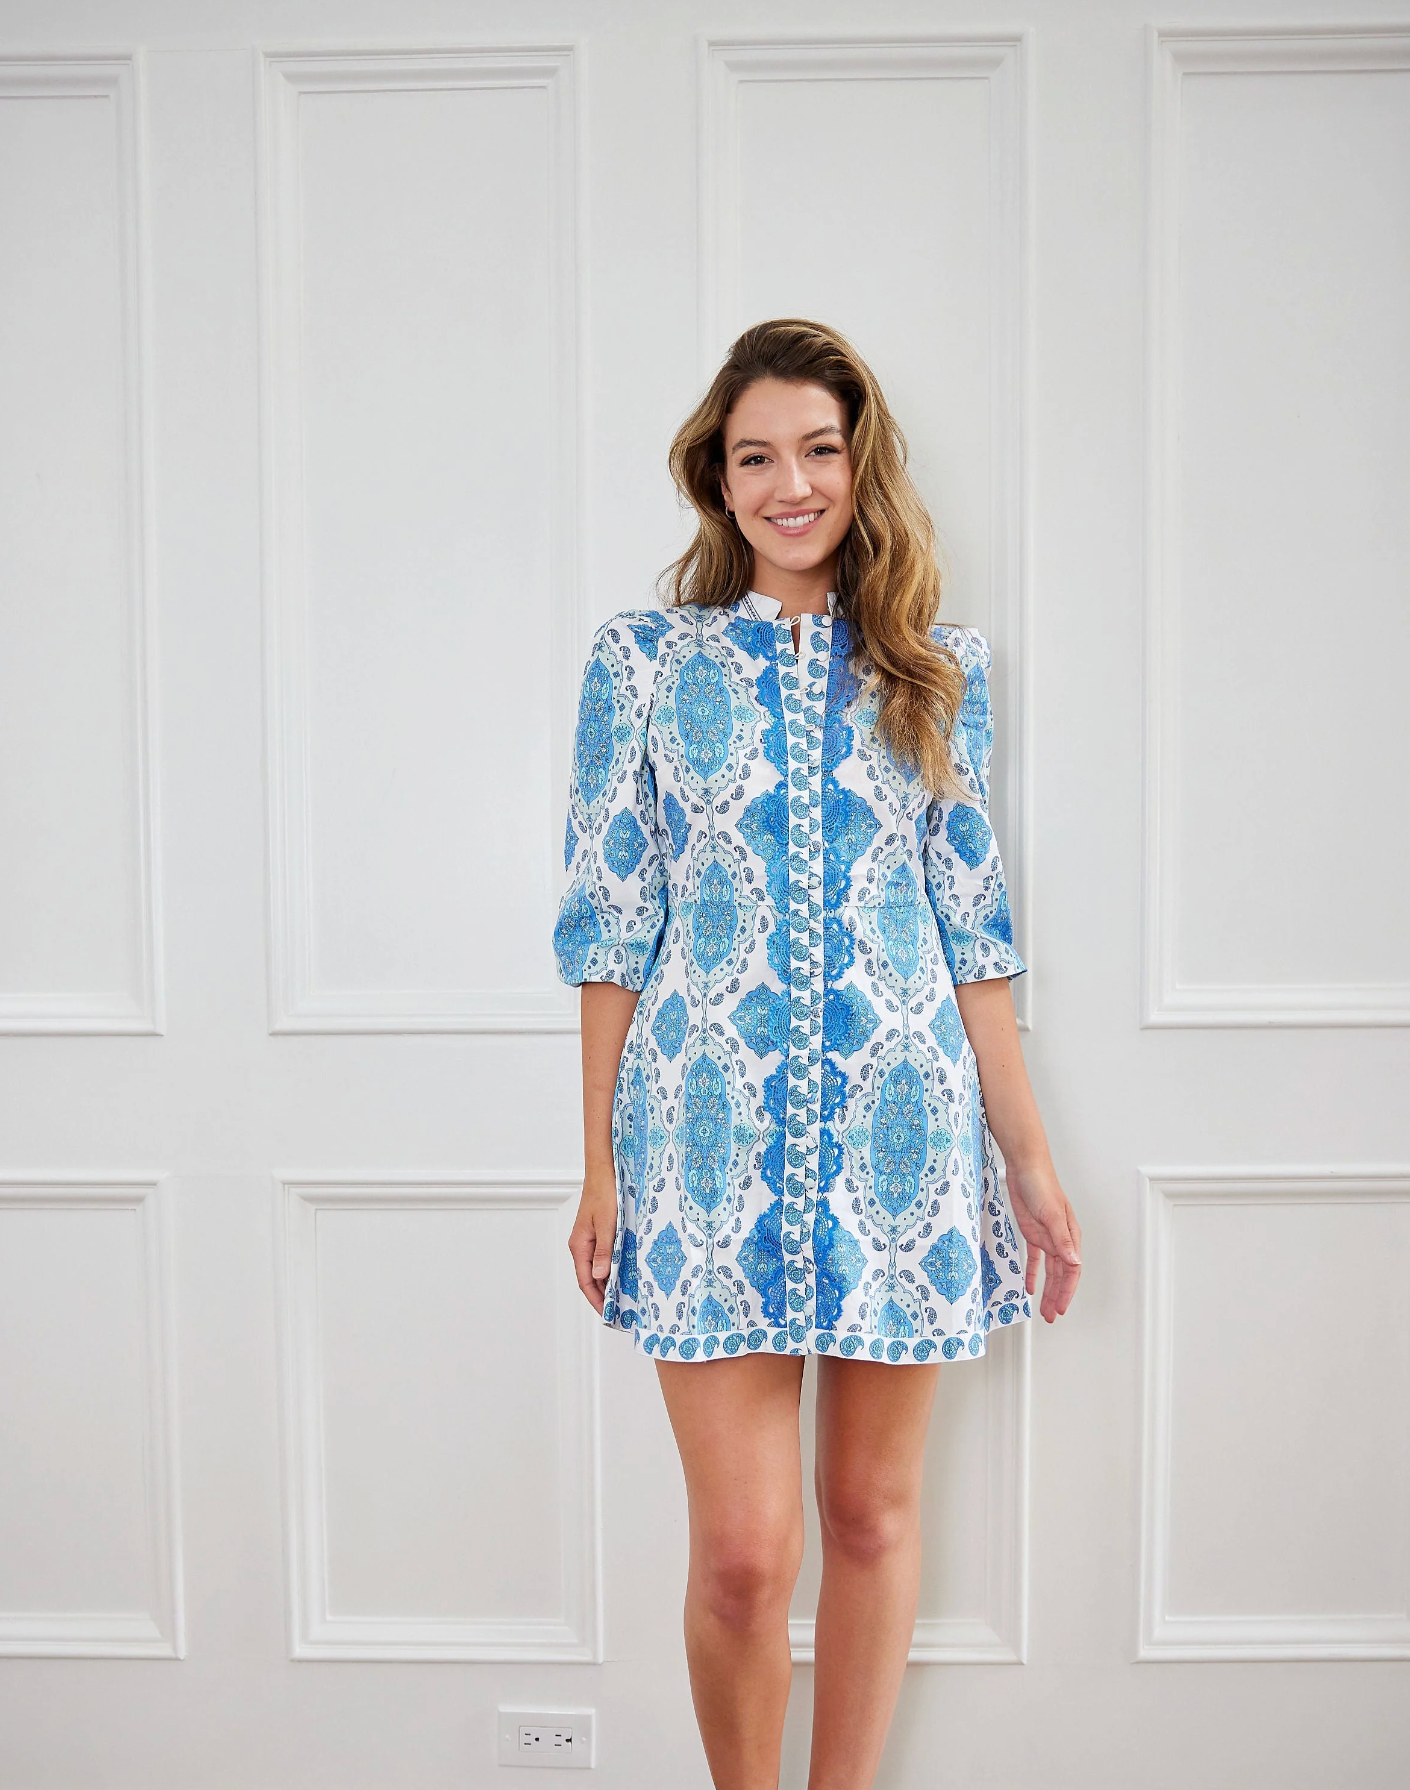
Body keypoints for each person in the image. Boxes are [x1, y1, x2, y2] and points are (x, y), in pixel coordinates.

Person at [553, 317, 1081, 1790]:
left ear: (861, 464)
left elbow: (971, 924)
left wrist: (1028, 1161)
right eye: (755, 458)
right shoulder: (642, 663)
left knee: (868, 1516)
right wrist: (596, 1164)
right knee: (743, 1552)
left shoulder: (935, 668)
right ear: (715, 480)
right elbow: (609, 922)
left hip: (901, 1134)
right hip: (702, 1138)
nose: (791, 485)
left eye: (819, 450)